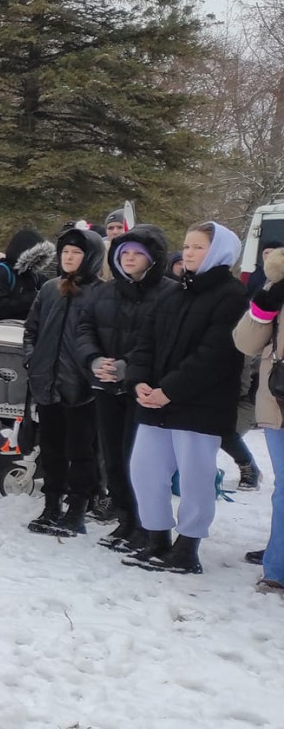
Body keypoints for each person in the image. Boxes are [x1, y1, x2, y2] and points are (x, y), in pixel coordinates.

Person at [123, 222, 247, 575]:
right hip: (154, 401)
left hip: (200, 406)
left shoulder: (231, 296)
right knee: (145, 471)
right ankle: (156, 539)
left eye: (198, 247)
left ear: (220, 251)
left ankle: (187, 547)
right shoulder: (172, 293)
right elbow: (145, 342)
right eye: (187, 246)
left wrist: (170, 390)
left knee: (195, 477)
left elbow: (215, 355)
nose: (189, 252)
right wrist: (139, 382)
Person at [73, 223, 173, 553]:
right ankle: (127, 517)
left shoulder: (169, 294)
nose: (129, 259)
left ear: (152, 259)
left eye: (137, 254)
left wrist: (127, 367)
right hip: (105, 387)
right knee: (113, 458)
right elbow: (84, 329)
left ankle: (149, 524)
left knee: (140, 461)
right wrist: (93, 360)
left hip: (144, 390)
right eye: (123, 253)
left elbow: (163, 341)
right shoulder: (103, 292)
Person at [22, 226, 105, 535]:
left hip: (83, 387)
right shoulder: (48, 289)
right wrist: (33, 359)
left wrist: (93, 371)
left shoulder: (102, 292)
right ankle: (51, 504)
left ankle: (78, 508)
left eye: (77, 253)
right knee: (51, 448)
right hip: (47, 383)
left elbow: (106, 337)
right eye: (65, 252)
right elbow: (31, 329)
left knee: (81, 450)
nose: (69, 258)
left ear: (91, 257)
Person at [233, 246, 284, 594]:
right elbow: (245, 342)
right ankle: (277, 568)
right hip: (279, 402)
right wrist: (268, 298)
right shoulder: (278, 278)